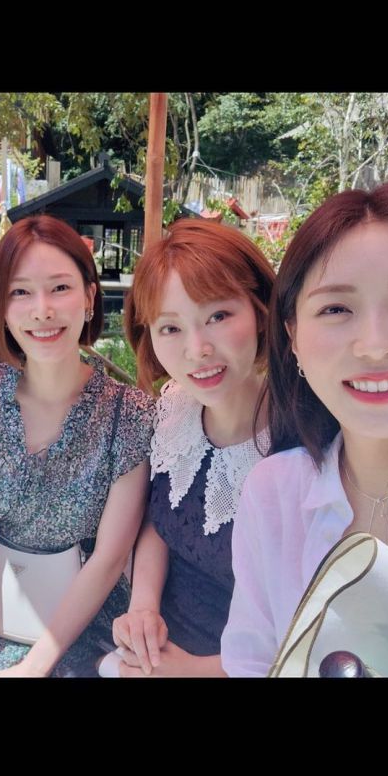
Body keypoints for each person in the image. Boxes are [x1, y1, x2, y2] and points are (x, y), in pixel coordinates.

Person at [222, 182, 388, 676]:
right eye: (336, 309)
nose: (375, 346)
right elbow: (252, 661)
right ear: (293, 336)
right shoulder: (274, 492)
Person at [0, 214, 155, 677]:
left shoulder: (130, 415)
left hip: (81, 626)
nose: (42, 310)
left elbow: (110, 557)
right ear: (2, 306)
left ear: (89, 297)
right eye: (20, 292)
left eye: (60, 288)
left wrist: (34, 666)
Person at [107, 218, 275, 677]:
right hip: (157, 654)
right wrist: (143, 608)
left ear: (260, 310)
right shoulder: (177, 410)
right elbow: (162, 521)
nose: (197, 349)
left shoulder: (305, 441)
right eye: (170, 328)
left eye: (218, 316)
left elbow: (317, 618)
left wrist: (194, 671)